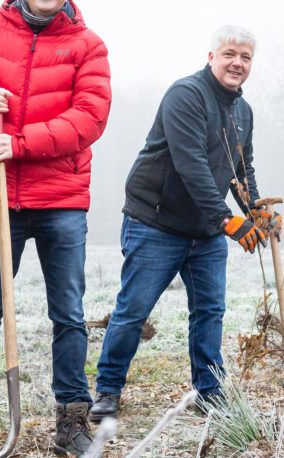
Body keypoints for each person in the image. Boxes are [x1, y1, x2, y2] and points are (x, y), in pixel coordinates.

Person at [0, 0, 111, 458]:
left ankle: (72, 418)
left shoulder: (87, 45)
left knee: (68, 313)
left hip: (60, 200)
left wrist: (19, 144)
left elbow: (89, 118)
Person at [90, 25, 272, 422]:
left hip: (205, 231)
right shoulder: (185, 95)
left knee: (209, 311)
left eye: (245, 57)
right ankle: (108, 388)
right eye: (229, 54)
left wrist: (254, 207)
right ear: (211, 57)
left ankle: (209, 392)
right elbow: (193, 166)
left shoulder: (243, 111)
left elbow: (241, 168)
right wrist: (228, 219)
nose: (237, 63)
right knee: (134, 309)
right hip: (156, 221)